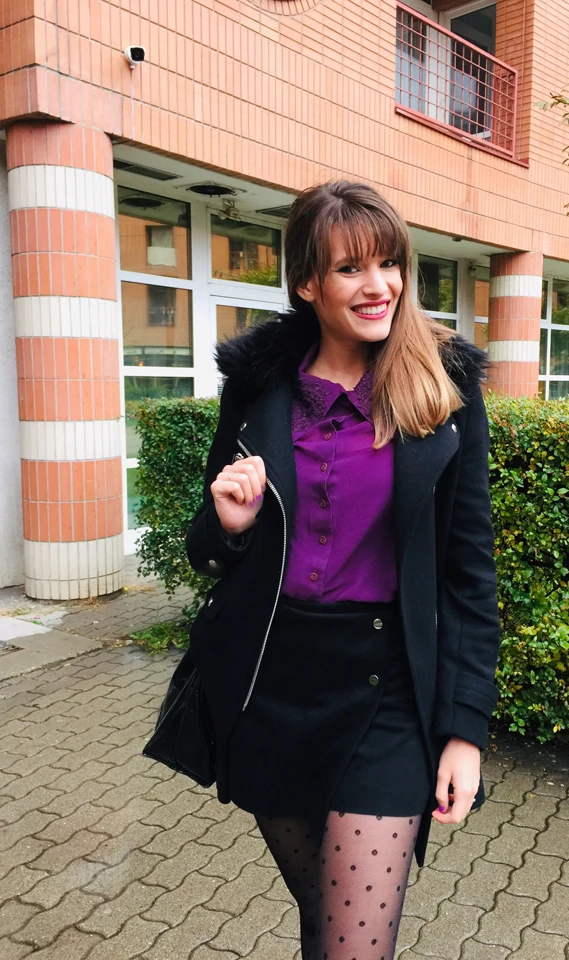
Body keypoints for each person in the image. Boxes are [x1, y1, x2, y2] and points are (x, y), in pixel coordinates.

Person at [185, 180, 501, 960]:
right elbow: (207, 548)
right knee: (325, 923)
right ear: (307, 283)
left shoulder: (444, 389)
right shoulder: (258, 387)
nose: (378, 285)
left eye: (389, 263)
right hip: (269, 688)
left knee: (353, 942)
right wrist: (229, 525)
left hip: (384, 695)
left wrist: (465, 730)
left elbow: (469, 573)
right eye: (351, 268)